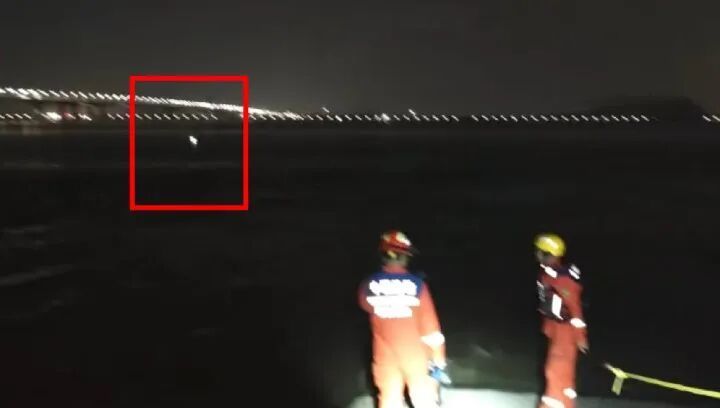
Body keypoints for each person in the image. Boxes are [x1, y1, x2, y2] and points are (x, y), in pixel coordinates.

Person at [358, 230, 450, 408]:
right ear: (404, 257)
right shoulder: (418, 285)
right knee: (424, 399)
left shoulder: (367, 285)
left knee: (388, 400)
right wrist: (439, 360)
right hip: (416, 357)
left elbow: (364, 305)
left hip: (384, 356)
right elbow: (431, 329)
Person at [535, 233, 589, 408]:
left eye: (540, 251)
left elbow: (575, 309)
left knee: (555, 372)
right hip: (556, 332)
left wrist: (580, 337)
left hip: (566, 334)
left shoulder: (563, 279)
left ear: (548, 254)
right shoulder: (548, 275)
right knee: (563, 378)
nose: (537, 254)